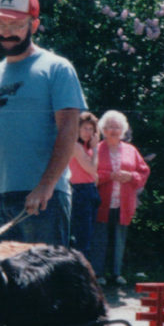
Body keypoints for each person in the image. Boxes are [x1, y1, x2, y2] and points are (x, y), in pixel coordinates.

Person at [0, 0, 87, 246]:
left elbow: (69, 131)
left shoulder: (57, 68)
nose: (6, 32)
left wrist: (45, 186)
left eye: (16, 24)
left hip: (42, 201)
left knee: (46, 286)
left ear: (34, 25)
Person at [90, 110, 150, 286]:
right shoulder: (97, 149)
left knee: (119, 238)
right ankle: (97, 273)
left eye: (117, 127)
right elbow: (89, 174)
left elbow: (143, 171)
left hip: (123, 202)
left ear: (123, 130)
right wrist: (110, 175)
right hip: (101, 202)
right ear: (103, 129)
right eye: (109, 126)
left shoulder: (131, 150)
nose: (113, 130)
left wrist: (130, 176)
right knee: (99, 238)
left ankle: (116, 273)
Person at [68, 111, 100, 262]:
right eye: (85, 128)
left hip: (89, 191)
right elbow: (92, 169)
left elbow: (94, 176)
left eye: (91, 129)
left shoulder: (86, 147)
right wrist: (96, 149)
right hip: (79, 191)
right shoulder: (76, 146)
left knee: (88, 236)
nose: (88, 133)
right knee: (82, 238)